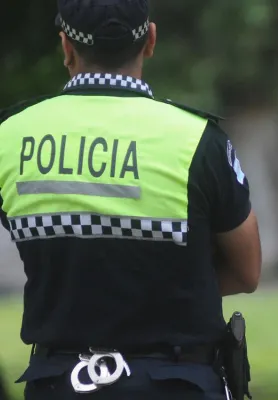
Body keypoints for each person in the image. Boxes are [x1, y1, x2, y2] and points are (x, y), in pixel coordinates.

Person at [0, 1, 262, 399]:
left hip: (60, 382)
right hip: (177, 383)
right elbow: (246, 271)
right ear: (151, 40)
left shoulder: (11, 137)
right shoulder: (197, 142)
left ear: (66, 46)